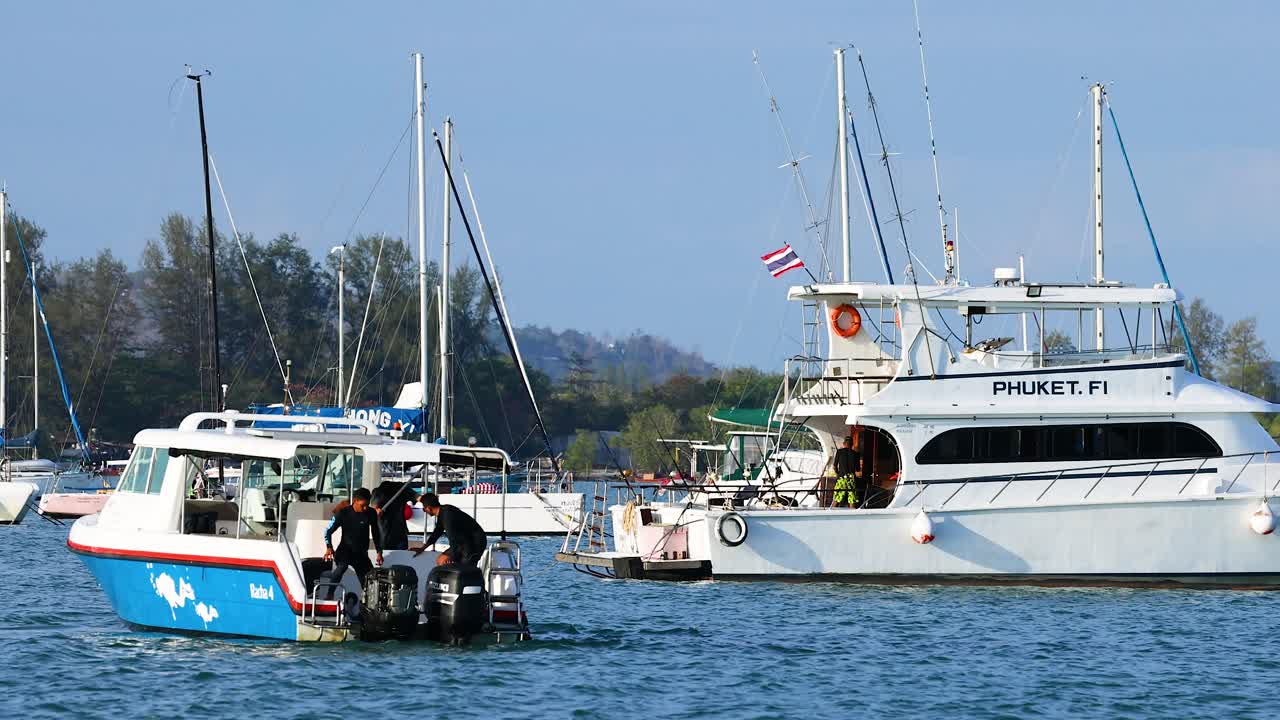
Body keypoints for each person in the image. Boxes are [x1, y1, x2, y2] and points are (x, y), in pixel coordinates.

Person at [322, 487, 383, 598]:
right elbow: (328, 531)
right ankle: (329, 594)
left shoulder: (371, 513)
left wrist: (379, 552)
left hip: (361, 553)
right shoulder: (343, 513)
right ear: (355, 501)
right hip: (345, 550)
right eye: (362, 505)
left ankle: (368, 602)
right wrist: (329, 547)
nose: (365, 508)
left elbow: (376, 534)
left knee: (368, 579)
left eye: (367, 505)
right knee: (342, 567)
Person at [413, 492, 488, 567]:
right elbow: (437, 533)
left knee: (461, 567)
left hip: (474, 543)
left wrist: (452, 557)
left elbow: (453, 538)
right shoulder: (443, 511)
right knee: (441, 560)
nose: (425, 511)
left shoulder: (447, 515)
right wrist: (423, 548)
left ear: (429, 508)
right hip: (464, 542)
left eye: (424, 509)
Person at [370, 480, 412, 551]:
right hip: (391, 534)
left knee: (388, 556)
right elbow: (374, 506)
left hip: (389, 534)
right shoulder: (380, 493)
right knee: (399, 556)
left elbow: (374, 506)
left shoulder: (379, 493)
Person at [832, 436, 861, 508]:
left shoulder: (839, 452)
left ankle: (831, 516)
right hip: (851, 479)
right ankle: (852, 517)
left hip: (841, 478)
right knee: (852, 501)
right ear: (852, 444)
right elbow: (857, 469)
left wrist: (838, 474)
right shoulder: (856, 454)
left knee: (836, 500)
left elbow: (834, 466)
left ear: (844, 443)